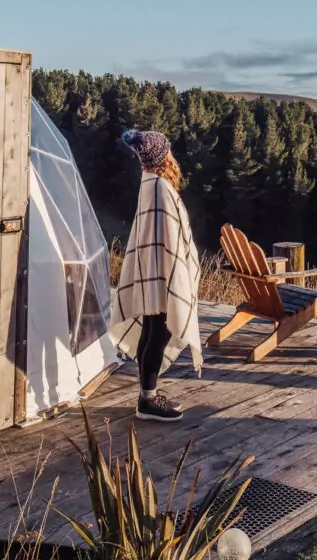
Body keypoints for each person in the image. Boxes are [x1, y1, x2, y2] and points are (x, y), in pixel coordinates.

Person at [110, 129, 201, 421]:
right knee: (158, 332)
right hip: (163, 273)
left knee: (152, 329)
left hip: (153, 270)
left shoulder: (149, 183)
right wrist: (177, 274)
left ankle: (146, 395)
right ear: (164, 156)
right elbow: (172, 240)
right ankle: (147, 401)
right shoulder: (161, 187)